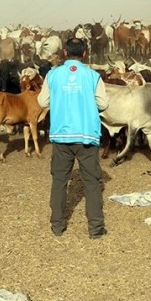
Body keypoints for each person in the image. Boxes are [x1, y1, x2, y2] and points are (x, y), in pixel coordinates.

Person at [37, 37, 109, 239]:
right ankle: (95, 228)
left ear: (65, 53)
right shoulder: (93, 76)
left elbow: (42, 101)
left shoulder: (53, 75)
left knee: (59, 180)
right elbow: (103, 104)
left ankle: (57, 226)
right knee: (92, 182)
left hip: (61, 135)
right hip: (86, 135)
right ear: (85, 53)